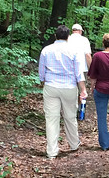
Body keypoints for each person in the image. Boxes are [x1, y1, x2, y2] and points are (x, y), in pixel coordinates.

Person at [38, 25, 88, 159]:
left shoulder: (46, 50)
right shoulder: (74, 51)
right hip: (69, 87)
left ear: (55, 36)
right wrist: (83, 90)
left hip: (51, 87)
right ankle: (74, 144)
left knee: (51, 119)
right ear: (68, 37)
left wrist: (44, 82)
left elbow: (41, 73)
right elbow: (79, 74)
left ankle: (52, 151)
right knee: (70, 117)